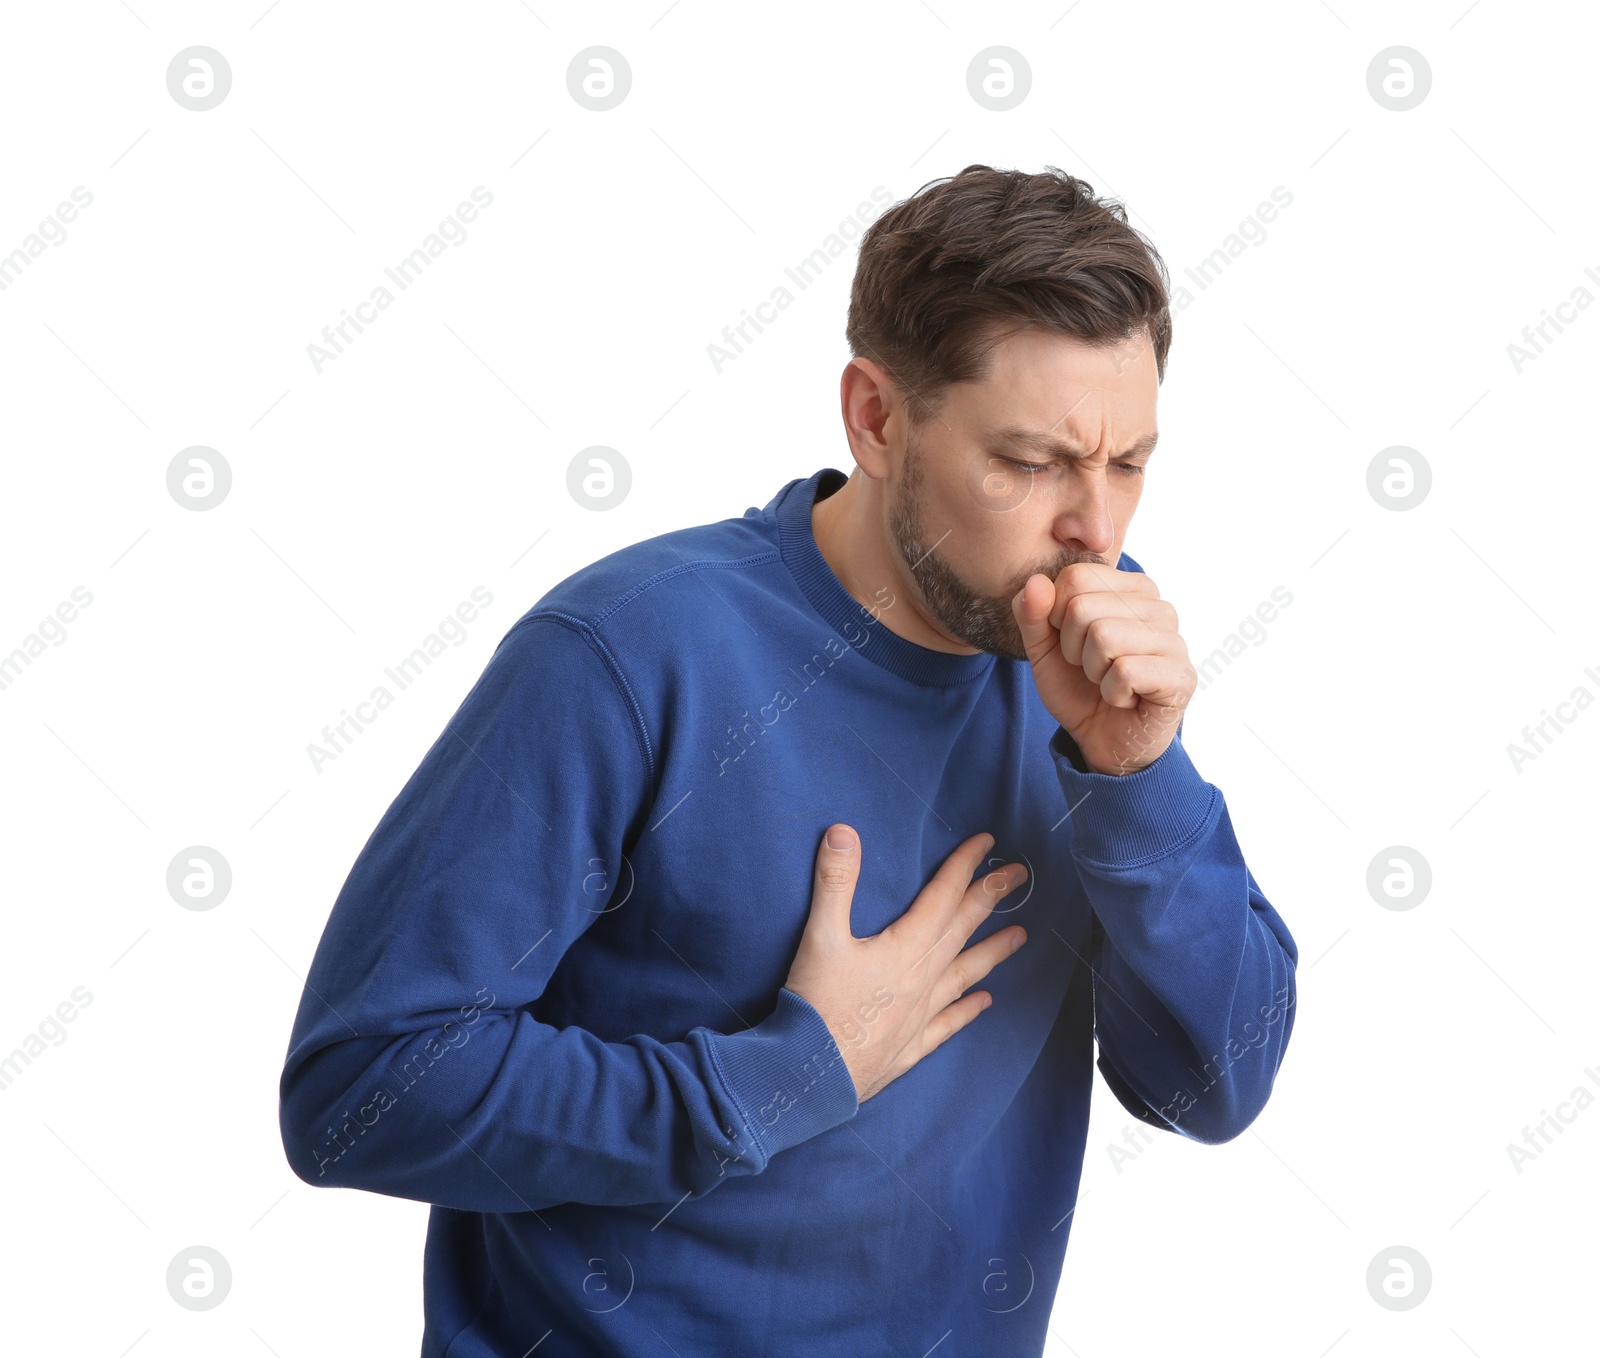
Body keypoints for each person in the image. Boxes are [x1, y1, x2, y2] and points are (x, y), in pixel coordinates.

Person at [278, 163, 1298, 1357]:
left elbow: (1212, 1087)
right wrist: (777, 1075)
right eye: (1027, 462)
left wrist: (1137, 779)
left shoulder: (1084, 657)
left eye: (1126, 462)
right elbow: (358, 1092)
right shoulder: (630, 651)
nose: (1097, 529)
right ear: (875, 417)